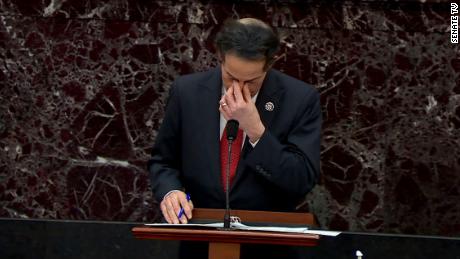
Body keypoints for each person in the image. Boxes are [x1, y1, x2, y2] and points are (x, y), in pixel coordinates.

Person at [148, 18, 322, 258]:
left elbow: (301, 178)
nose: (239, 88)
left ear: (270, 64)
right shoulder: (186, 92)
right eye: (230, 77)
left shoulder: (300, 99)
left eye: (251, 81)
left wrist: (256, 131)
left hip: (268, 245)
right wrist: (170, 192)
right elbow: (163, 161)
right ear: (220, 57)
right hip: (200, 241)